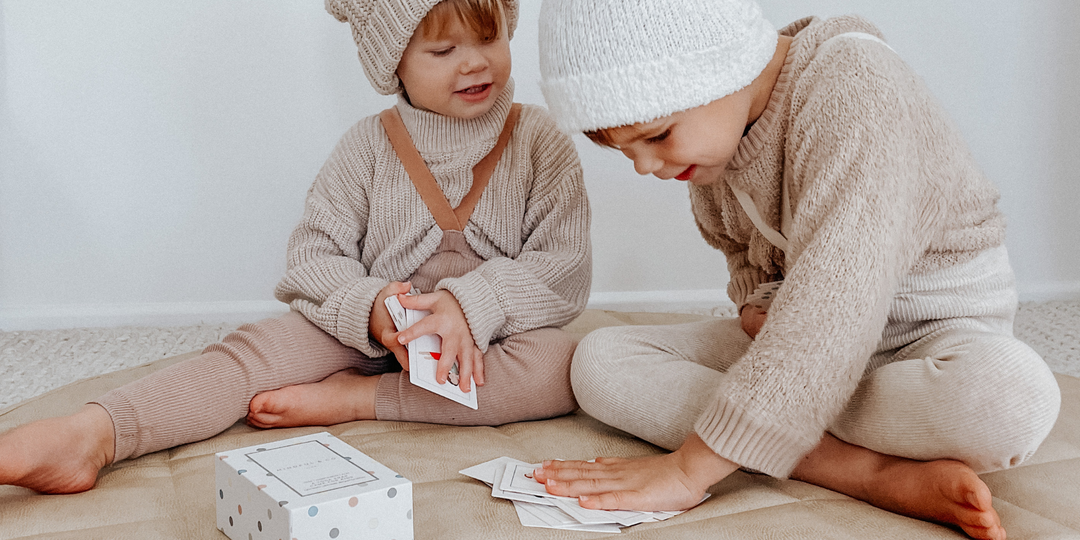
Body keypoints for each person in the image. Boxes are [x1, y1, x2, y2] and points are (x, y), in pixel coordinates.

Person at [0, 0, 590, 495]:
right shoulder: (367, 147)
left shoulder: (539, 141)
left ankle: (362, 400)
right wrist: (371, 309)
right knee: (252, 354)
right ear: (396, 66)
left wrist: (473, 303)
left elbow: (561, 268)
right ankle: (96, 434)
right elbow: (313, 259)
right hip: (370, 332)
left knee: (561, 368)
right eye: (443, 51)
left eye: (489, 37)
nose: (475, 62)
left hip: (488, 341)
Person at [529, 1, 1059, 539]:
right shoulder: (718, 144)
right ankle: (862, 471)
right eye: (626, 152)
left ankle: (784, 415)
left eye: (658, 135)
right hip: (807, 339)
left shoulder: (856, 89)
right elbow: (743, 253)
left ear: (722, 68)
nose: (645, 166)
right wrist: (753, 306)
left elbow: (836, 301)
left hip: (934, 341)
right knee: (602, 360)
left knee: (1012, 400)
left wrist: (690, 470)